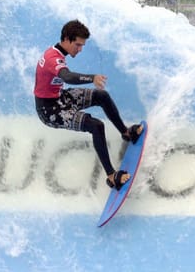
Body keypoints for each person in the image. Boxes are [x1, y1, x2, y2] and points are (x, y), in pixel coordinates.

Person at [34, 19, 143, 190]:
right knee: (96, 126)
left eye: (82, 45)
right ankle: (112, 176)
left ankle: (126, 133)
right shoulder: (52, 58)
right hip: (49, 110)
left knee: (101, 96)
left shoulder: (58, 52)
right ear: (66, 39)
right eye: (77, 45)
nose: (80, 49)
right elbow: (67, 77)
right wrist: (92, 77)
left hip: (59, 97)